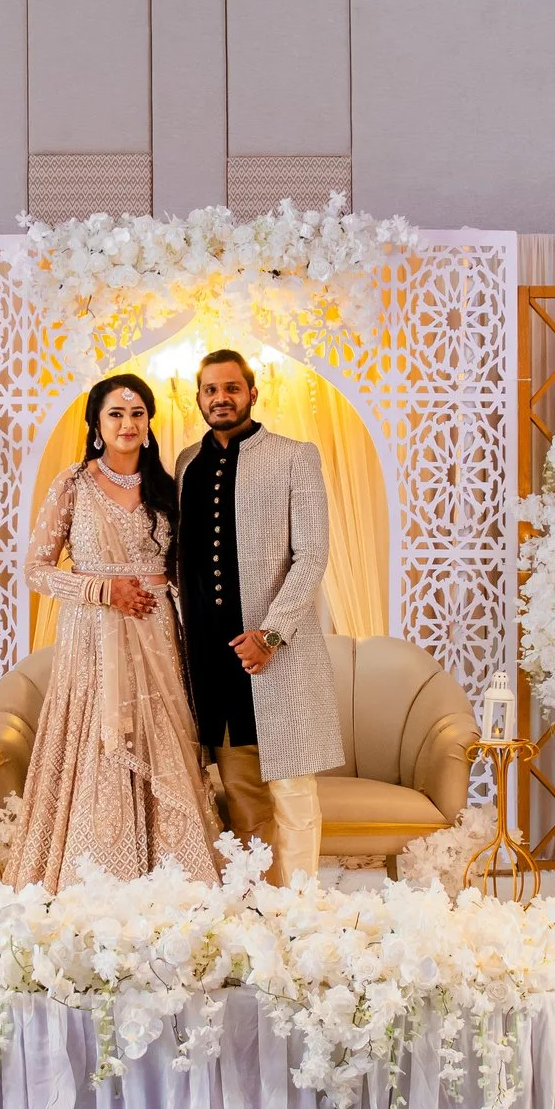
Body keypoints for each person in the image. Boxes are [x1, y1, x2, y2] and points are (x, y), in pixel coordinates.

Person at [4, 373, 222, 888]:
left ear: (149, 424)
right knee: (97, 745)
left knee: (164, 742)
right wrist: (103, 591)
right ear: (97, 426)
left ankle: (172, 879)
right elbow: (36, 569)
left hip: (157, 634)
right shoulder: (73, 485)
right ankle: (97, 877)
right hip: (93, 638)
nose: (128, 423)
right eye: (116, 414)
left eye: (138, 414)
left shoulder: (170, 487)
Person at [175, 350, 345, 886]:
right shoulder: (185, 464)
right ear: (197, 398)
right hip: (211, 659)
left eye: (231, 388)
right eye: (209, 390)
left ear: (253, 392)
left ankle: (299, 913)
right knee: (241, 791)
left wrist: (270, 635)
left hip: (277, 658)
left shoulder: (295, 456)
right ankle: (257, 908)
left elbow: (313, 554)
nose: (220, 398)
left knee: (293, 792)